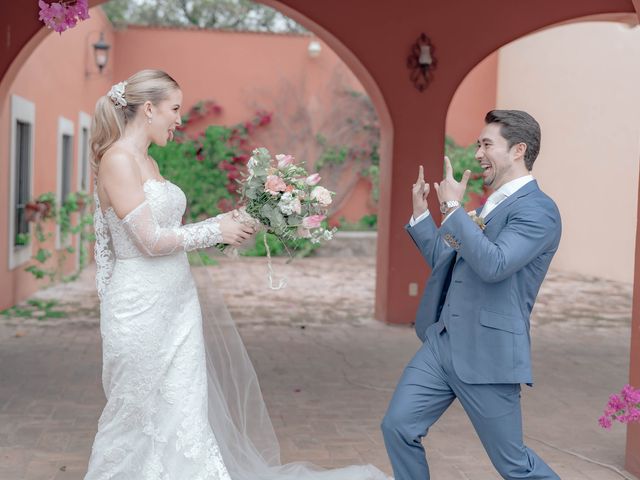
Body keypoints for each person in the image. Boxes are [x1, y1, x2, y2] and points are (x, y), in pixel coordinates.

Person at [86, 69, 388, 480]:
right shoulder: (118, 160)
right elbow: (149, 242)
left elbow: (170, 232)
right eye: (174, 109)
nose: (179, 119)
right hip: (140, 307)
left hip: (177, 304)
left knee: (184, 411)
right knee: (135, 413)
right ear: (149, 108)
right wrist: (215, 230)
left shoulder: (149, 161)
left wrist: (232, 220)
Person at [381, 110, 562, 479]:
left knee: (513, 465)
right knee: (397, 426)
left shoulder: (538, 211)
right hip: (442, 343)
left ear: (518, 150)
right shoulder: (487, 206)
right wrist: (422, 216)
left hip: (488, 352)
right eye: (478, 144)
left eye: (486, 144)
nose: (478, 153)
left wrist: (452, 208)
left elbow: (494, 265)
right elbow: (448, 262)